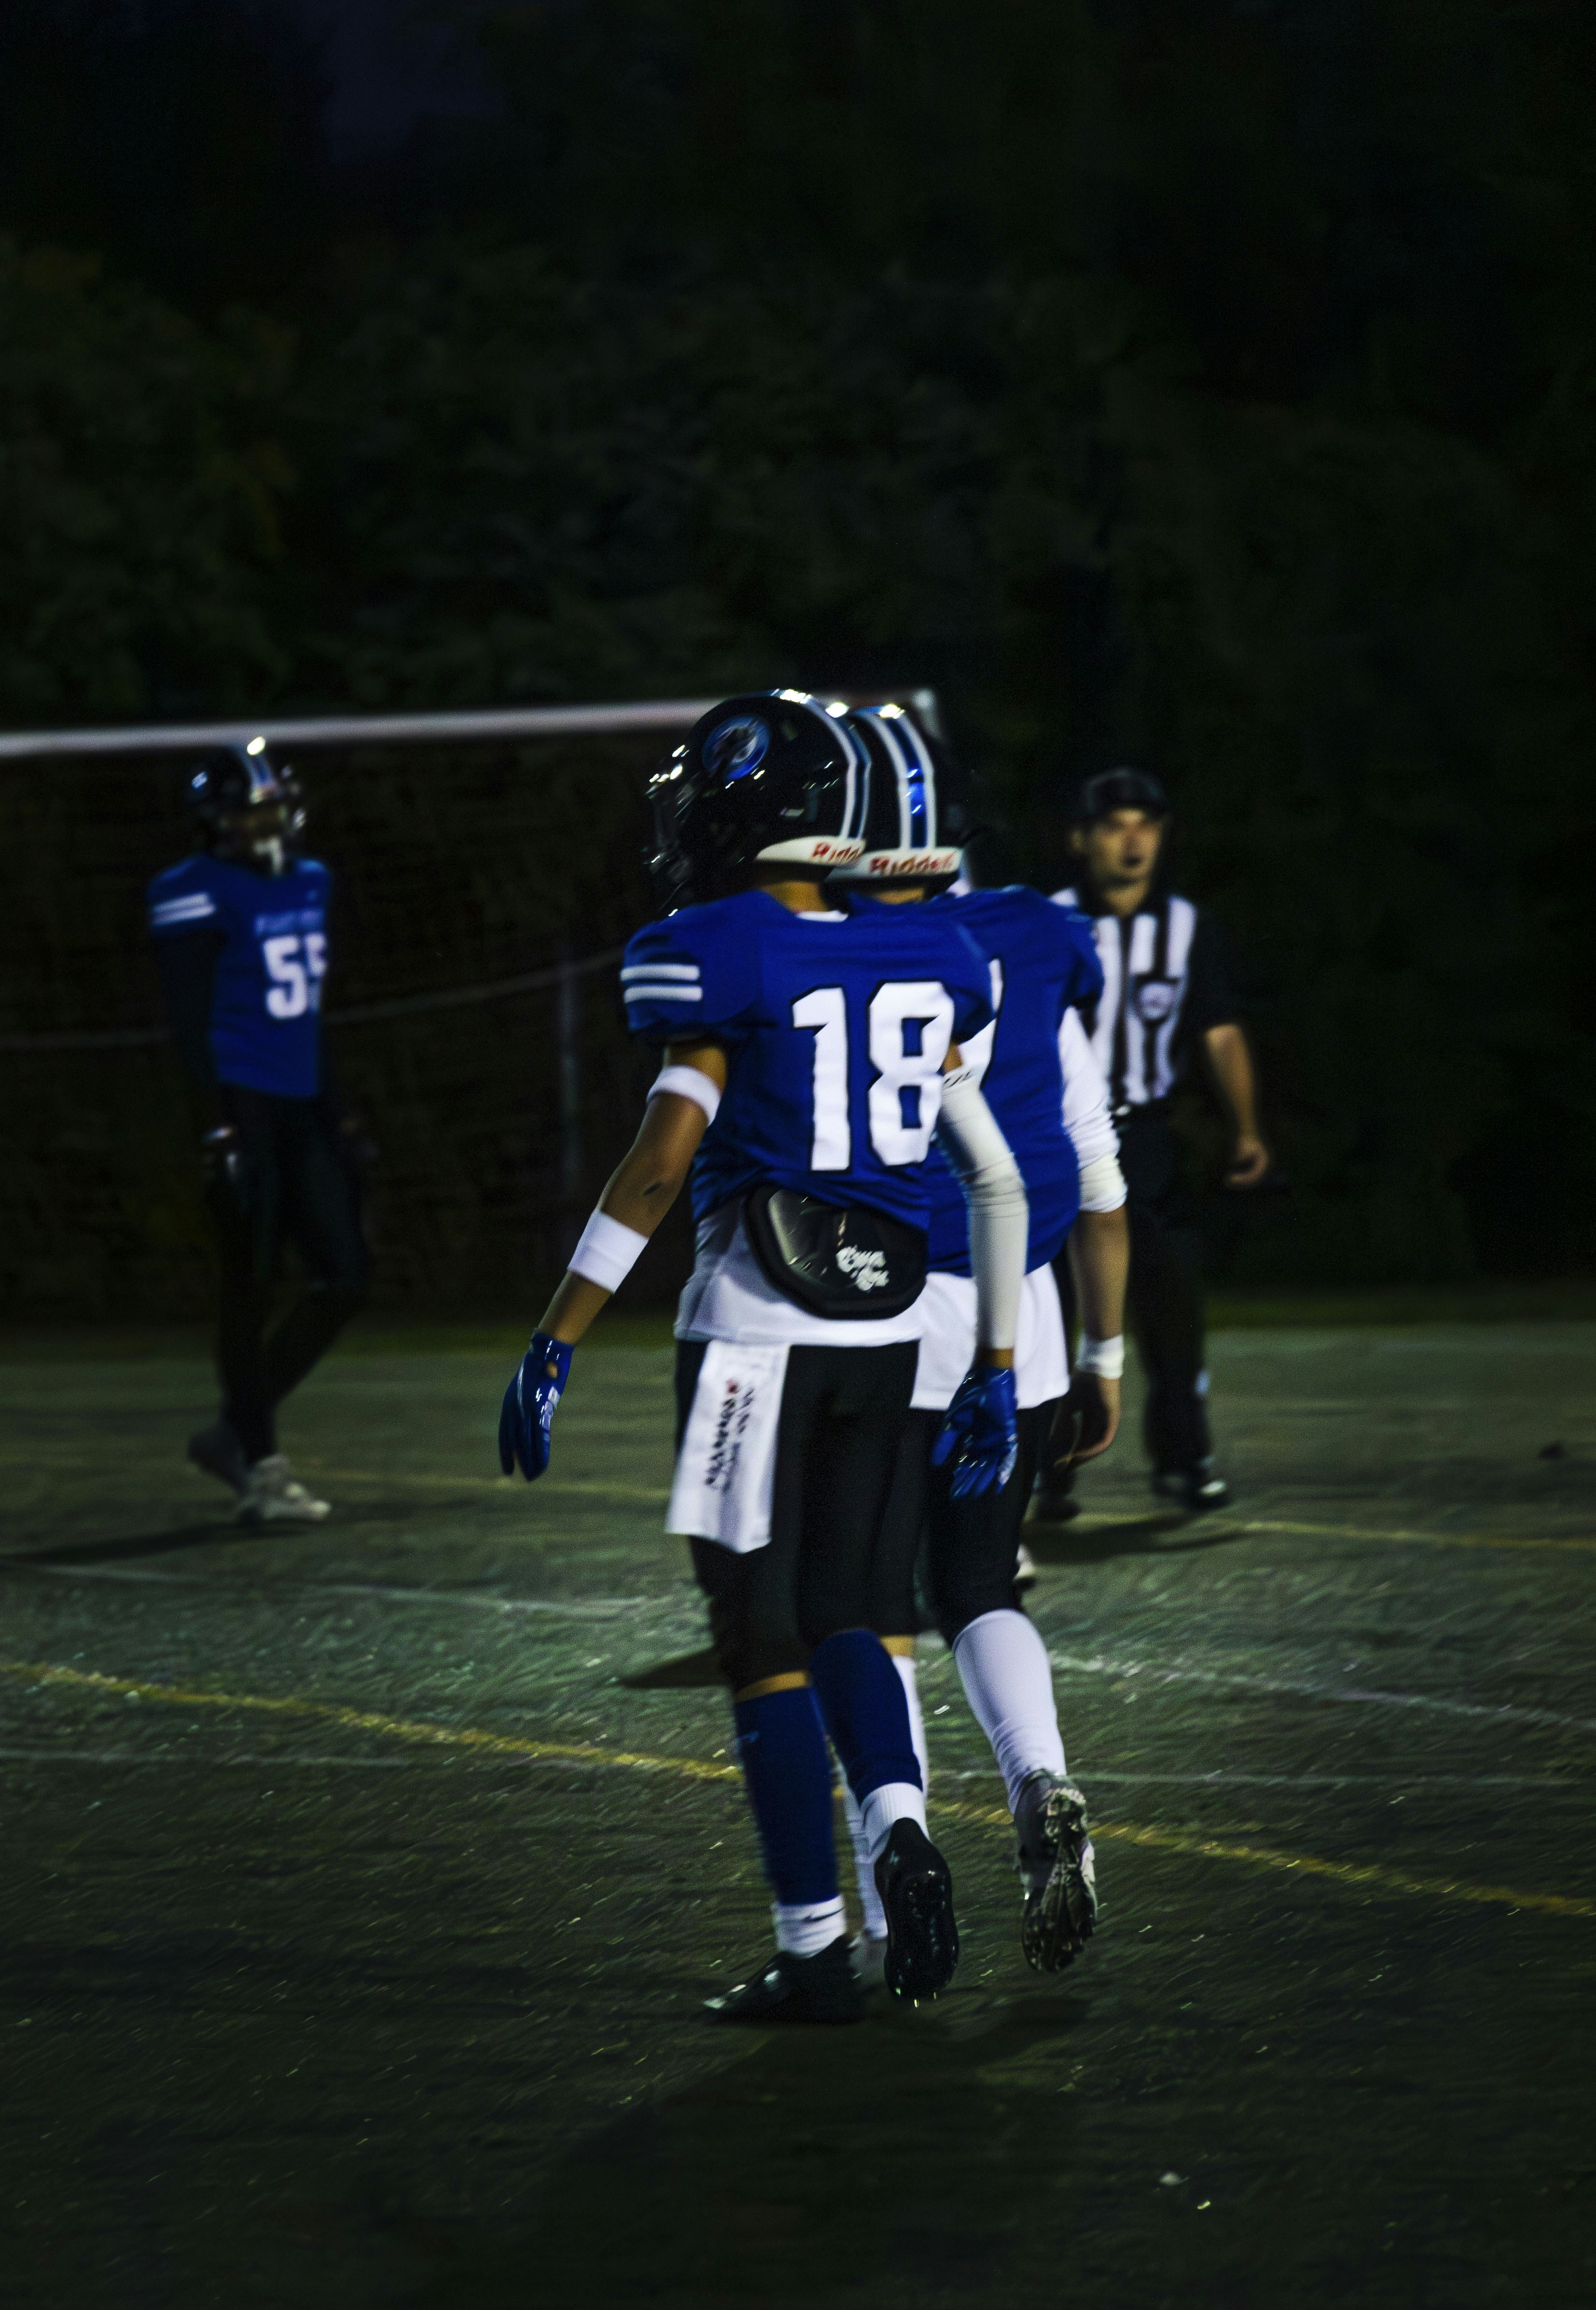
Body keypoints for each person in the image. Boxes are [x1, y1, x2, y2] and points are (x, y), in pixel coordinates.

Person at [496, 690, 1030, 2025]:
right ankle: (900, 1821)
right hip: (897, 1332)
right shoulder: (943, 953)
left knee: (760, 1639)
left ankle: (811, 1946)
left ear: (743, 808)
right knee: (861, 1609)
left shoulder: (713, 947)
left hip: (756, 1334)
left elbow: (662, 1164)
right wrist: (1003, 1363)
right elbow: (973, 1147)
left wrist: (556, 1337)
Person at [830, 705, 1129, 1979]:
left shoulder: (810, 943)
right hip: (1029, 1315)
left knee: (859, 1602)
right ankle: (1043, 1778)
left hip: (876, 1304)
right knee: (981, 1584)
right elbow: (1094, 1161)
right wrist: (1106, 1356)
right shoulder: (1043, 934)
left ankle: (891, 1876)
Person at [148, 741, 369, 1527]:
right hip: (242, 1102)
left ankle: (233, 1429)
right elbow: (187, 1017)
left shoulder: (313, 879)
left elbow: (314, 1010)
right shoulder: (190, 892)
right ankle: (260, 1462)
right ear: (217, 824)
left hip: (301, 1100)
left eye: (273, 809)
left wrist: (336, 1112)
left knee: (345, 1276)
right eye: (250, 813)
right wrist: (217, 1126)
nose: (266, 825)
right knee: (249, 1286)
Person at [1053, 766, 1271, 1513]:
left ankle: (1185, 1454)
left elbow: (1219, 1028)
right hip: (1056, 1142)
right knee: (1048, 1312)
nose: (1134, 837)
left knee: (1174, 1310)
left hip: (1146, 1140)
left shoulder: (1184, 927)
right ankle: (1049, 1465)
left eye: (1146, 822)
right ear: (1080, 839)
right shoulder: (1047, 921)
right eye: (1116, 824)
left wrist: (1245, 1127)